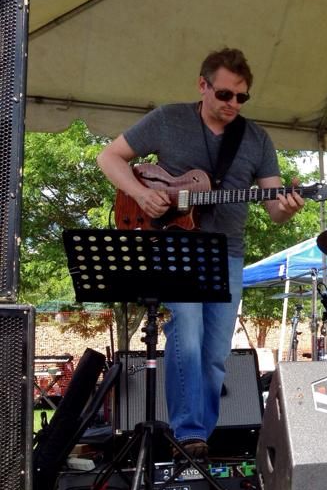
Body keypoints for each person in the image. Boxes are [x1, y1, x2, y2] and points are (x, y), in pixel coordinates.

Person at [97, 47, 305, 460]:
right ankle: (188, 432)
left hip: (228, 252)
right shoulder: (168, 119)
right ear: (202, 85)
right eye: (225, 94)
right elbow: (109, 157)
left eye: (241, 97)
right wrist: (141, 193)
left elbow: (274, 208)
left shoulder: (256, 138)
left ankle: (198, 441)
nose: (233, 104)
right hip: (176, 245)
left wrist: (288, 206)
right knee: (187, 335)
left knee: (215, 354)